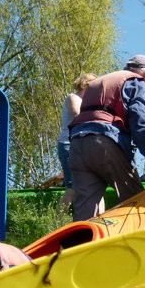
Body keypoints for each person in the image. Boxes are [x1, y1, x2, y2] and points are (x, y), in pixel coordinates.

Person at [68, 55, 145, 222]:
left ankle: (79, 246)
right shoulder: (137, 83)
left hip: (76, 144)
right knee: (136, 201)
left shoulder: (98, 83)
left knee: (85, 212)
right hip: (104, 143)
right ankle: (139, 245)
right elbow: (140, 122)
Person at [57, 73, 97, 206]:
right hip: (68, 145)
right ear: (86, 85)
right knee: (72, 188)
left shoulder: (90, 103)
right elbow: (77, 114)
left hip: (83, 146)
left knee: (94, 187)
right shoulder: (73, 97)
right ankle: (59, 220)